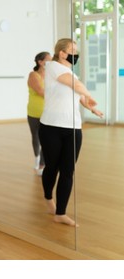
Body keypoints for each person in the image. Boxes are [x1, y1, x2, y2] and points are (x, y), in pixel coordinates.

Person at [39, 38, 103, 227]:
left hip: (73, 128)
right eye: (72, 50)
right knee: (52, 167)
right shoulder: (53, 67)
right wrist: (89, 94)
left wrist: (90, 107)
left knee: (67, 171)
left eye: (76, 49)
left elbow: (78, 94)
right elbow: (76, 86)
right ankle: (49, 198)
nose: (76, 54)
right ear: (62, 53)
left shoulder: (71, 73)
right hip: (51, 127)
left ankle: (61, 213)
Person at [27, 51, 51, 176]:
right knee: (36, 138)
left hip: (47, 113)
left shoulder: (51, 75)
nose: (51, 61)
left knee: (46, 140)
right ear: (40, 62)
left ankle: (42, 165)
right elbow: (41, 91)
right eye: (48, 59)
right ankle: (37, 157)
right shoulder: (33, 75)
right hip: (34, 112)